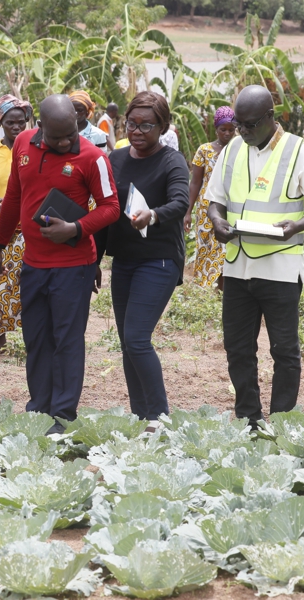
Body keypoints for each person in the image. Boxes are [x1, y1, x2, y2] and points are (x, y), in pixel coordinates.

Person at [0, 94, 120, 434]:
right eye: (57, 136)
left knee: (67, 340)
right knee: (36, 339)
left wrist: (75, 228)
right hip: (33, 264)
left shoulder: (92, 157)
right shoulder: (21, 144)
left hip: (74, 265)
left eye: (71, 135)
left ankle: (63, 415)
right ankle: (39, 408)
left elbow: (110, 207)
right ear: (40, 127)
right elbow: (15, 198)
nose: (65, 142)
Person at [207, 85, 304, 428]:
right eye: (238, 125)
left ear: (270, 118)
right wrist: (217, 221)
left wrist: (296, 225)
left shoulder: (299, 152)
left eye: (249, 125)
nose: (243, 132)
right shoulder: (232, 149)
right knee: (237, 349)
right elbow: (215, 199)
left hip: (280, 266)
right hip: (237, 265)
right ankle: (249, 416)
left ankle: (281, 420)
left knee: (285, 351)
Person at [99, 91, 190, 429]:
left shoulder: (172, 161)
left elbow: (181, 203)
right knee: (127, 342)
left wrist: (152, 215)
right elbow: (105, 209)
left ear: (162, 126)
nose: (136, 131)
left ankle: (159, 416)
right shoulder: (116, 159)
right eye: (131, 124)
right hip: (124, 260)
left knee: (137, 338)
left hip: (159, 260)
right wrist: (94, 259)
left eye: (145, 126)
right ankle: (140, 415)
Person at [0, 95, 33, 357]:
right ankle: (1, 341)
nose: (16, 127)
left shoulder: (34, 150)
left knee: (28, 285)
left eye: (21, 122)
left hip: (28, 230)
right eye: (11, 122)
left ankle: (30, 339)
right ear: (0, 122)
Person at [184, 106, 236, 289]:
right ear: (216, 129)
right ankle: (207, 290)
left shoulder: (241, 150)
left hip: (231, 208)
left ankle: (223, 292)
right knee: (207, 250)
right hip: (206, 210)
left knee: (226, 250)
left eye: (231, 129)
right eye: (224, 129)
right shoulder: (204, 151)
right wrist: (188, 212)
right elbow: (195, 183)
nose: (228, 133)